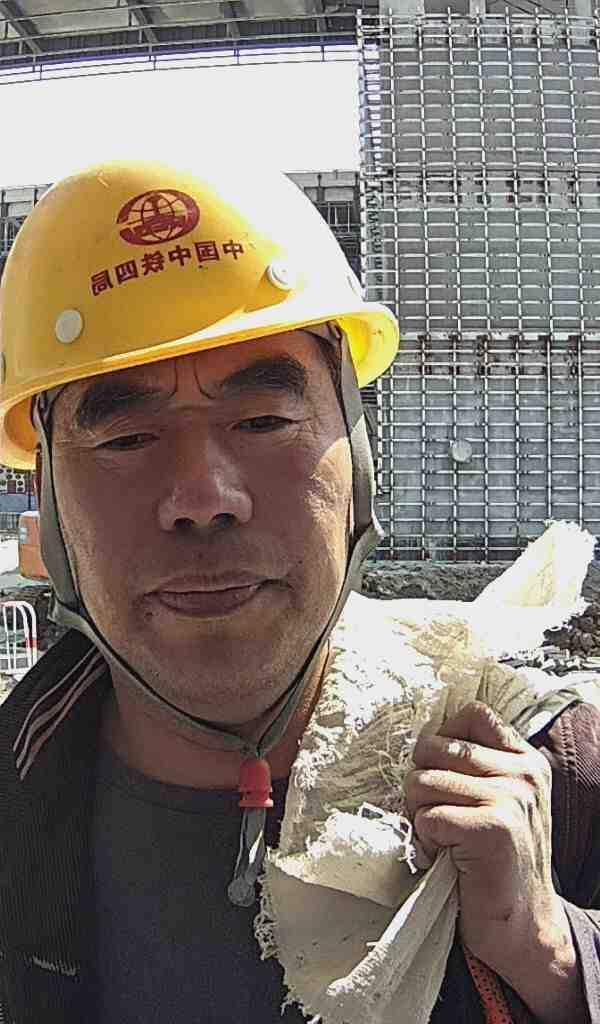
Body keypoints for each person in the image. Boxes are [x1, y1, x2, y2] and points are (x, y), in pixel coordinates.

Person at [0, 159, 599, 1024]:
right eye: (126, 437)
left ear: (356, 462)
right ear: (50, 501)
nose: (202, 497)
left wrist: (551, 951)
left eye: (263, 421)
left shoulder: (558, 773)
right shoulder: (18, 802)